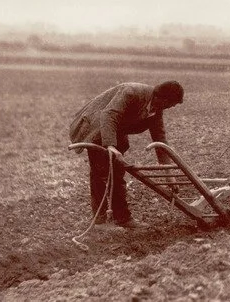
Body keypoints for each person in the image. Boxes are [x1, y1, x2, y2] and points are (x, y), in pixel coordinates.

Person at [69, 80, 184, 228]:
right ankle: (100, 220)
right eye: (171, 104)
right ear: (163, 98)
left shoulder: (156, 108)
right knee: (100, 173)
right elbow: (109, 115)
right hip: (97, 125)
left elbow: (160, 139)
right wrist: (110, 145)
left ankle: (122, 218)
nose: (170, 108)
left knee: (118, 173)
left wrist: (169, 174)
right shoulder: (131, 92)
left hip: (116, 129)